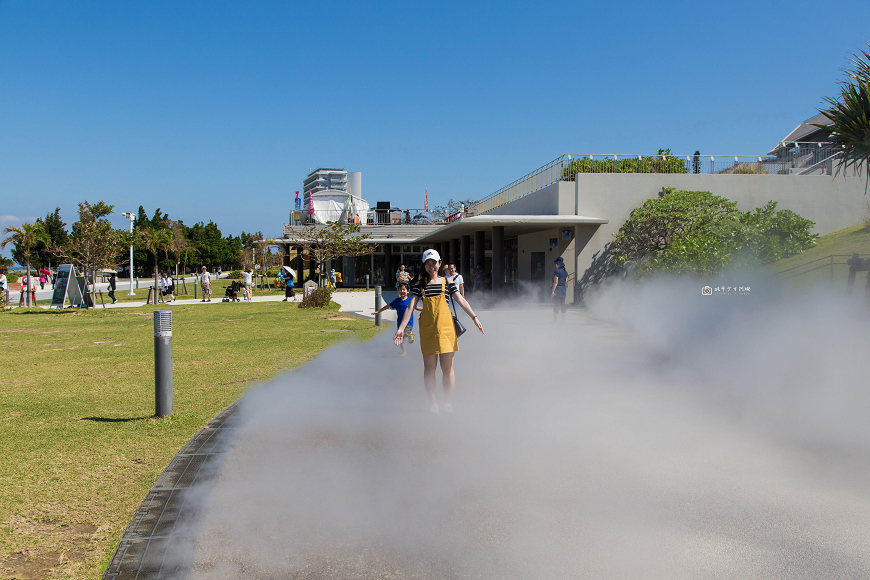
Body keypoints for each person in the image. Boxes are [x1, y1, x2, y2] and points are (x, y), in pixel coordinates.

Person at [395, 249, 484, 414]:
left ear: (439, 263)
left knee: (447, 368)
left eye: (434, 263)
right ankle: (433, 403)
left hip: (446, 329)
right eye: (427, 264)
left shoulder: (448, 281)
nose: (431, 267)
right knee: (429, 368)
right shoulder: (419, 285)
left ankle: (448, 402)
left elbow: (460, 299)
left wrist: (474, 317)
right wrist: (401, 328)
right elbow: (410, 306)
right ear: (424, 265)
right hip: (428, 330)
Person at [373, 281, 416, 356]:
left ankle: (410, 335)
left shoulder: (410, 300)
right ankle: (403, 351)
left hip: (408, 322)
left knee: (404, 335)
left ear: (408, 291)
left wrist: (425, 309)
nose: (402, 291)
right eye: (400, 289)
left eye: (404, 289)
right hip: (399, 322)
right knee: (400, 338)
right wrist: (379, 311)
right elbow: (388, 306)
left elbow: (417, 307)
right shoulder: (397, 301)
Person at [551, 256, 568, 322]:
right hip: (563, 289)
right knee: (562, 304)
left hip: (558, 289)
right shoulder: (565, 272)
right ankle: (563, 320)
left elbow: (556, 282)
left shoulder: (557, 272)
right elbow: (566, 281)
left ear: (558, 264)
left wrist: (553, 291)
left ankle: (555, 320)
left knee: (556, 304)